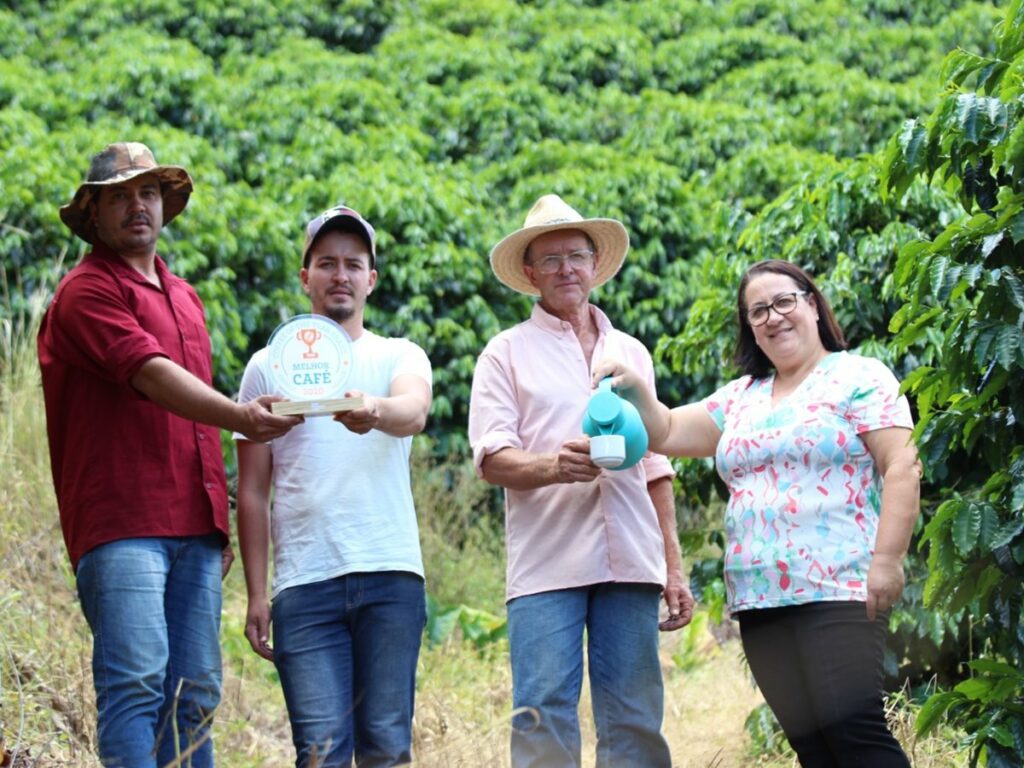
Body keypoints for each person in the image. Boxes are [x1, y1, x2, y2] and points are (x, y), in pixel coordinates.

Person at [594, 259, 921, 768]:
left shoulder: (859, 377)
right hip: (759, 598)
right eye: (758, 311)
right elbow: (667, 431)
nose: (773, 317)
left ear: (812, 305)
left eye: (784, 301)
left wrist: (888, 560)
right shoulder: (742, 397)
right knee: (813, 746)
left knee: (854, 733)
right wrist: (635, 387)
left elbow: (901, 465)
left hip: (837, 587)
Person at [38, 141, 301, 767]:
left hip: (193, 527)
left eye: (149, 193)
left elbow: (192, 424)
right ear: (93, 214)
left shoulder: (184, 296)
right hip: (122, 523)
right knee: (135, 683)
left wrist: (217, 517)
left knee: (195, 694)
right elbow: (150, 374)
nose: (138, 206)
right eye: (120, 196)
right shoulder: (85, 292)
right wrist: (242, 415)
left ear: (164, 205)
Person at [467, 194, 694, 768]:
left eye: (576, 255)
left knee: (635, 717)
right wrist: (554, 467)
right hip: (548, 564)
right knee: (543, 711)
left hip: (632, 559)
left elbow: (656, 463)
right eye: (550, 259)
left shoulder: (630, 351)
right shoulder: (505, 353)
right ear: (530, 273)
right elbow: (491, 458)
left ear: (595, 263)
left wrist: (673, 566)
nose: (565, 268)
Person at [235, 205, 433, 768]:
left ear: (372, 279)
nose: (340, 275)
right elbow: (252, 491)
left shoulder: (398, 354)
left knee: (387, 748)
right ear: (306, 277)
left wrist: (374, 409)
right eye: (326, 263)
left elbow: (414, 410)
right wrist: (257, 593)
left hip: (390, 574)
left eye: (353, 264)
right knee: (319, 752)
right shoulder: (267, 367)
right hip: (304, 583)